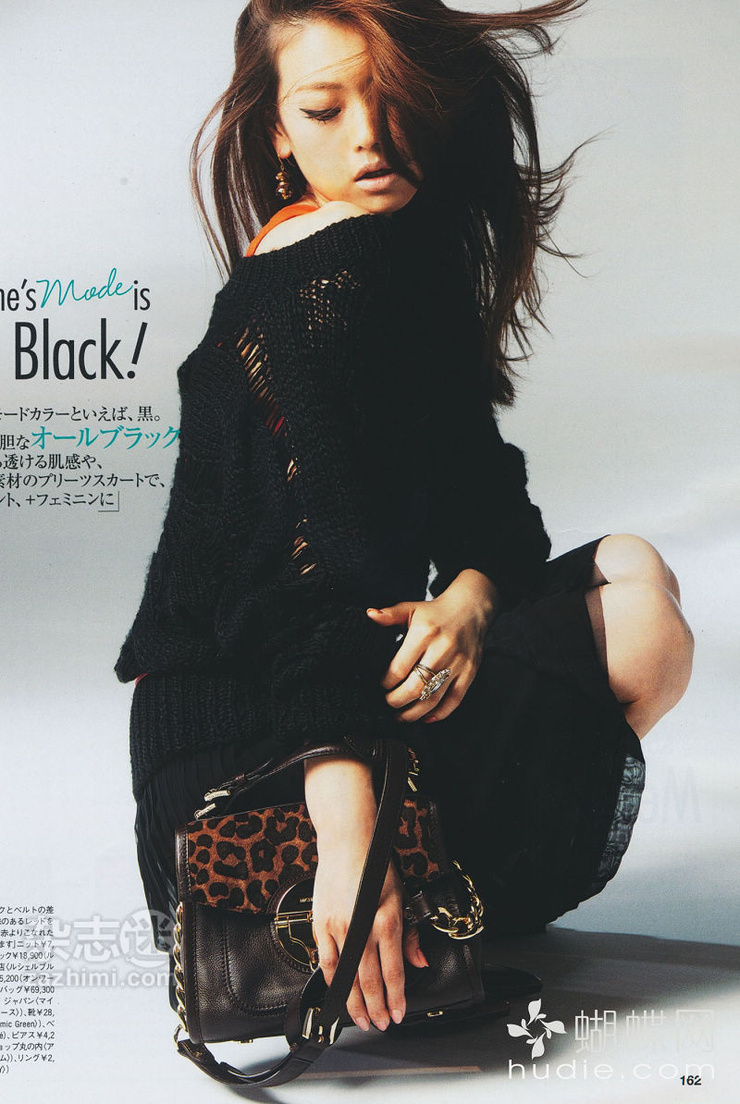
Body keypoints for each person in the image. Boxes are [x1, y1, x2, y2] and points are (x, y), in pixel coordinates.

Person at [115, 0, 694, 1038]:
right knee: (642, 630)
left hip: (310, 701)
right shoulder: (314, 283)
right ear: (277, 134)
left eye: (391, 101)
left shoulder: (400, 257)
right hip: (249, 763)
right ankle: (397, 911)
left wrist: (467, 603)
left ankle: (437, 904)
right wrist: (351, 843)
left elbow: (492, 518)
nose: (370, 138)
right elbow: (304, 598)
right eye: (325, 110)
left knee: (633, 568)